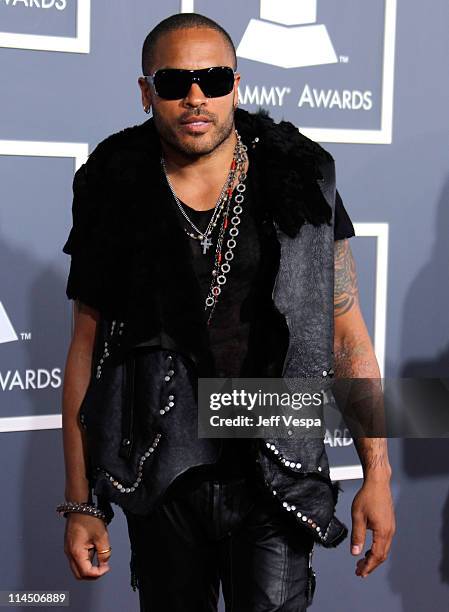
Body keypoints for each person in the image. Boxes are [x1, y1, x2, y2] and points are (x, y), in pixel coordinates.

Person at [58, 12, 396, 612]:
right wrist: (83, 501)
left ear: (236, 85)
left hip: (276, 461)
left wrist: (378, 473)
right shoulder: (113, 184)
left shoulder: (300, 176)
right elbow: (88, 348)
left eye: (213, 79)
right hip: (161, 465)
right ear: (145, 92)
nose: (196, 97)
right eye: (173, 82)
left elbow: (348, 335)